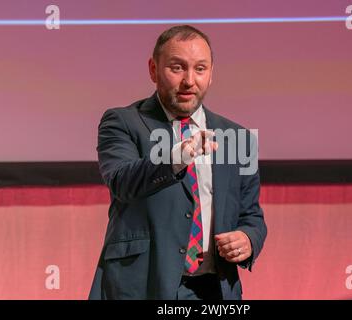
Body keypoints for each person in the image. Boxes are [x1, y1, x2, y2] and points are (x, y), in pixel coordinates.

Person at [89, 25, 267, 300]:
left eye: (200, 69)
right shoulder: (122, 122)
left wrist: (248, 239)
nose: (189, 81)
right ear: (153, 69)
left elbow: (251, 216)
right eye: (177, 68)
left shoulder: (237, 137)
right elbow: (122, 182)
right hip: (143, 284)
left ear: (211, 74)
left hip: (215, 289)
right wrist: (177, 157)